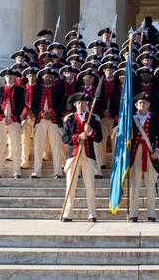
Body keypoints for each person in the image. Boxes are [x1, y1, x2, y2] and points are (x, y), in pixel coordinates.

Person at [60, 92, 103, 221]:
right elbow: (65, 138)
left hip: (88, 156)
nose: (81, 105)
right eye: (79, 103)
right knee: (70, 186)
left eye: (84, 102)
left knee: (90, 186)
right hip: (73, 155)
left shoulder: (94, 118)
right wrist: (78, 137)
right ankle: (68, 213)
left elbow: (99, 138)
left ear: (87, 104)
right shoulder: (70, 119)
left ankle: (92, 213)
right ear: (75, 104)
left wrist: (90, 131)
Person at [129, 92, 159, 222]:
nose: (142, 105)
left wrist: (158, 151)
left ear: (148, 105)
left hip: (150, 154)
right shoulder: (131, 119)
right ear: (136, 105)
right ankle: (133, 214)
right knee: (134, 185)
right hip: (135, 155)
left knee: (150, 185)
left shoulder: (154, 119)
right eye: (140, 103)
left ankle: (151, 214)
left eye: (145, 103)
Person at [30, 67, 65, 178]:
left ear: (53, 78)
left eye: (50, 77)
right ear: (43, 78)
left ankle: (58, 171)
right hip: (40, 121)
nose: (48, 78)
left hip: (54, 121)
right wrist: (41, 113)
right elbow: (33, 105)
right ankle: (37, 171)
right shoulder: (37, 90)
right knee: (38, 146)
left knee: (56, 147)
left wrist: (51, 113)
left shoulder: (58, 89)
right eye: (46, 77)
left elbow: (61, 104)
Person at [0, 67, 26, 178]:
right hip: (1, 122)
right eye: (7, 76)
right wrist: (2, 118)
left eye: (11, 76)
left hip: (14, 121)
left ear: (15, 77)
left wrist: (11, 117)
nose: (9, 78)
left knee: (16, 146)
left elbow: (21, 105)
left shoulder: (20, 90)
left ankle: (16, 171)